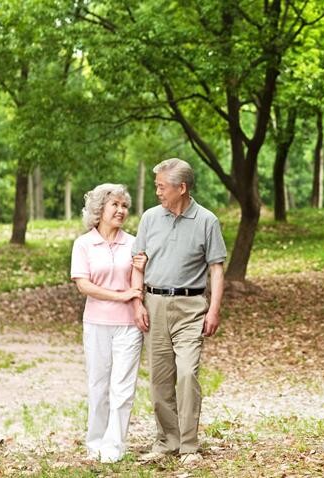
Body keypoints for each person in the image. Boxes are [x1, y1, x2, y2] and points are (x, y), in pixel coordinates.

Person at [130, 158, 226, 466]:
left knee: (187, 374)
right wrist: (137, 301)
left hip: (191, 307)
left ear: (181, 188)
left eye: (161, 186)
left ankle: (188, 446)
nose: (157, 191)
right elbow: (138, 262)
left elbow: (216, 269)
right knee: (160, 378)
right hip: (154, 304)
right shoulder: (149, 218)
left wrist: (214, 310)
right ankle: (166, 440)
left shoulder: (207, 220)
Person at [70, 184, 144, 463]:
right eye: (115, 205)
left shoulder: (135, 242)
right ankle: (95, 443)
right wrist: (120, 294)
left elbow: (139, 281)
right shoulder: (83, 244)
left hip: (129, 325)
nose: (121, 210)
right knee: (98, 386)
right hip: (96, 323)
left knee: (123, 388)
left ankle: (114, 446)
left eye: (124, 205)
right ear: (100, 209)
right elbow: (83, 285)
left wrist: (135, 297)